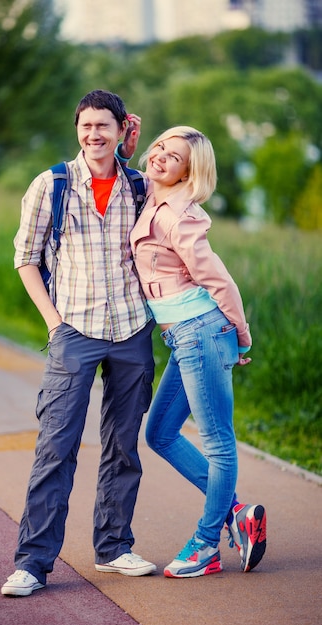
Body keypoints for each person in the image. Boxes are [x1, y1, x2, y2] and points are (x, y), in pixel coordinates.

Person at [1, 90, 156, 597]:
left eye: (105, 126)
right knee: (56, 447)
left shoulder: (140, 185)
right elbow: (26, 258)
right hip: (74, 331)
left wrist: (135, 151)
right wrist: (53, 323)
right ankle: (32, 561)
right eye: (86, 126)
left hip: (133, 329)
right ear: (77, 129)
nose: (94, 135)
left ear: (120, 129)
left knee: (122, 446)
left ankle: (113, 548)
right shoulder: (52, 184)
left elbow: (183, 207)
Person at [130, 126, 266, 578]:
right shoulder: (153, 192)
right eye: (161, 148)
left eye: (175, 156)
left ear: (191, 170)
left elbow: (219, 281)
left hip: (204, 331)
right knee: (160, 433)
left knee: (218, 442)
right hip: (183, 337)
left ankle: (207, 545)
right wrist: (131, 147)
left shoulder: (181, 215)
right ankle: (238, 515)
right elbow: (127, 173)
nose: (162, 158)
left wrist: (241, 335)